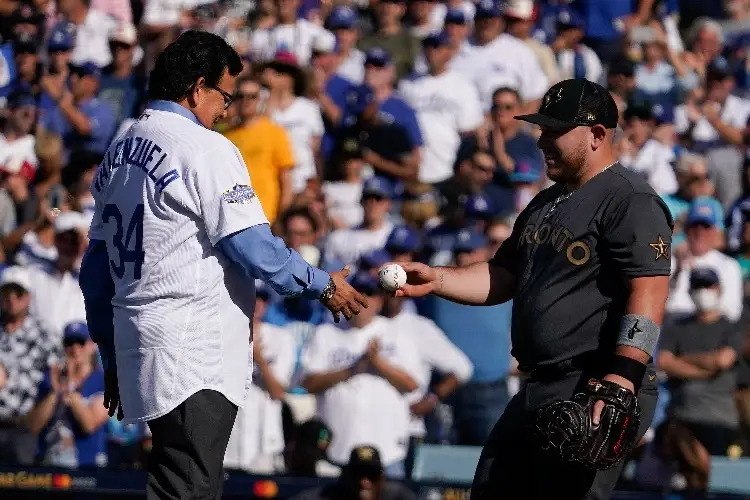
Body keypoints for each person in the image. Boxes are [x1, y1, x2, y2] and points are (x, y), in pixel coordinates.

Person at [78, 31, 367, 500]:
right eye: (224, 95)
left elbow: (95, 271)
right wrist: (322, 284)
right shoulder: (206, 148)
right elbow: (251, 246)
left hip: (142, 340)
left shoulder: (121, 146)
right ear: (197, 88)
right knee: (189, 487)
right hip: (193, 349)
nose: (226, 109)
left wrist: (113, 353)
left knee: (180, 478)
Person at [391, 79, 673, 499]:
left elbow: (648, 292)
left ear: (597, 135)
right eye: (542, 130)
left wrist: (622, 378)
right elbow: (504, 274)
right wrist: (439, 278)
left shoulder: (629, 198)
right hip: (540, 385)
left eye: (555, 131)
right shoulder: (546, 202)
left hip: (593, 384)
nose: (543, 141)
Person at [291, 445, 418, 500]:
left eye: (372, 476)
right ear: (347, 476)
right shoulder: (329, 496)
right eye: (358, 474)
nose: (365, 482)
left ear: (382, 478)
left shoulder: (398, 496)